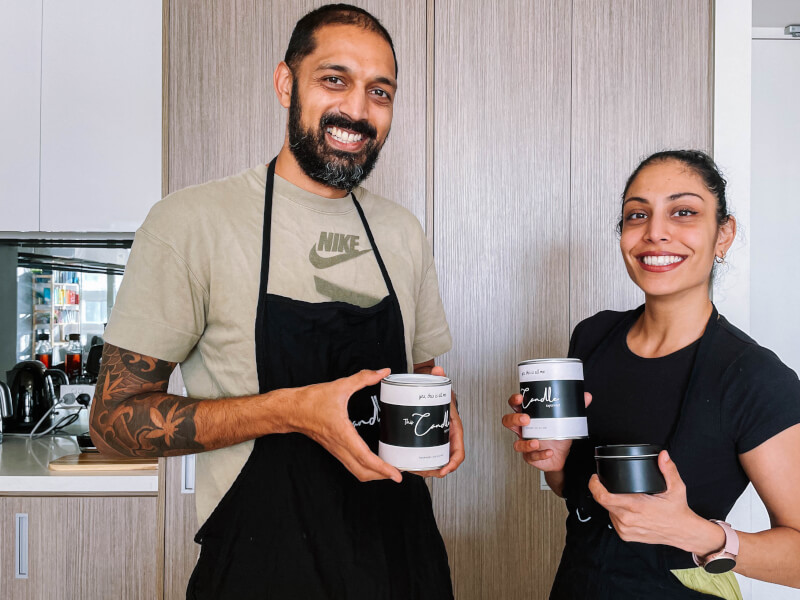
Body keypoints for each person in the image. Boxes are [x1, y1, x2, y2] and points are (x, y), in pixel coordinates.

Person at [89, 5, 463, 598]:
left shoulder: (401, 231)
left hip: (401, 562)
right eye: (334, 79)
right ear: (286, 83)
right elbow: (112, 421)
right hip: (261, 568)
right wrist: (288, 411)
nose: (358, 111)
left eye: (380, 91)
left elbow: (422, 377)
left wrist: (446, 417)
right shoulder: (191, 223)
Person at [503, 150, 800, 599]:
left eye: (683, 212)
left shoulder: (754, 378)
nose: (655, 232)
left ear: (724, 234)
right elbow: (576, 493)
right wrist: (555, 461)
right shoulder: (592, 337)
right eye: (637, 215)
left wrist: (699, 535)